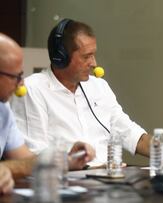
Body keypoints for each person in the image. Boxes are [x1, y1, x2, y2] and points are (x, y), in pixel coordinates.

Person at [10, 19, 163, 166]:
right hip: (68, 185)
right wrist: (81, 164)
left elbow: (132, 135)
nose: (94, 64)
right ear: (60, 57)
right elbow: (32, 156)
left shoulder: (98, 87)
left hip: (112, 180)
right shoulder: (33, 89)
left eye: (94, 55)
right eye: (86, 56)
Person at [0, 33, 95, 194]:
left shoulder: (4, 110)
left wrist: (66, 159)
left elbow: (24, 161)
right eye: (16, 77)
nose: (21, 85)